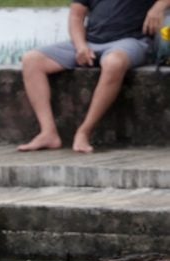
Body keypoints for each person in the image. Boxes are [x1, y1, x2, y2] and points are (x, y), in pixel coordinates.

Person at [17, 0, 169, 154]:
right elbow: (76, 17)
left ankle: (84, 132)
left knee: (113, 63)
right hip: (90, 41)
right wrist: (81, 46)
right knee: (31, 60)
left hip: (131, 41)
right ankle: (48, 132)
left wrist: (159, 6)